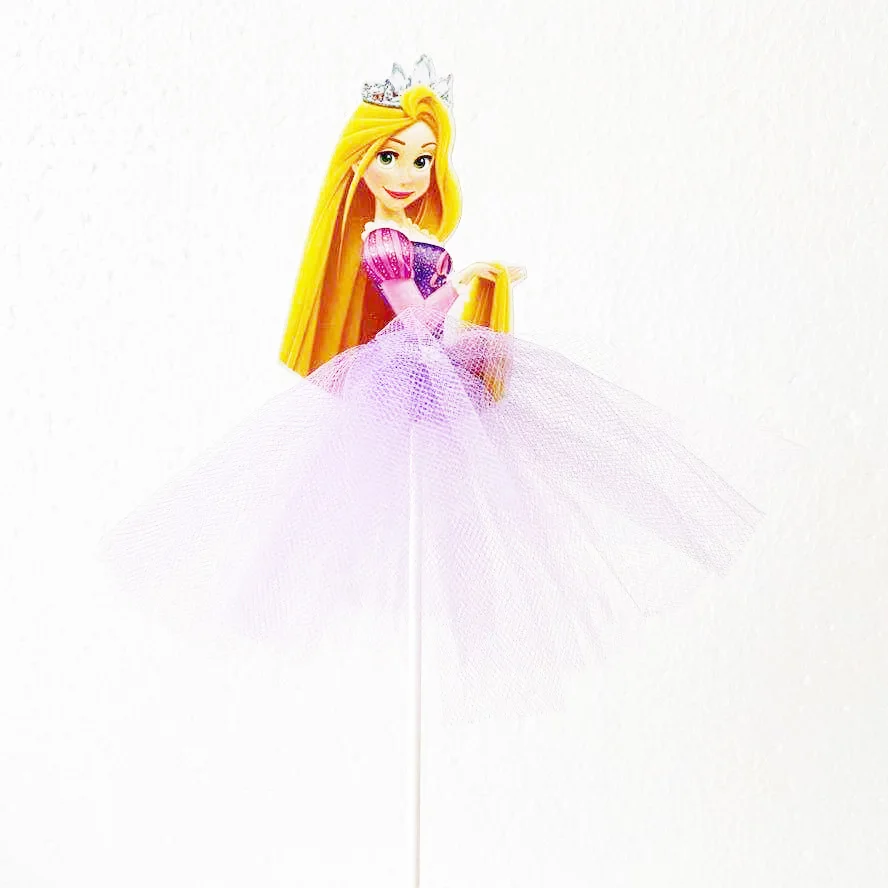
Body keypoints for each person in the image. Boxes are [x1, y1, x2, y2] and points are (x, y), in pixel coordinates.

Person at [101, 57, 761, 722]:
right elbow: (414, 318)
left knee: (476, 491)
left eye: (423, 159)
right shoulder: (380, 239)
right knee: (422, 500)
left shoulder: (412, 232)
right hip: (405, 370)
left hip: (435, 367)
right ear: (361, 160)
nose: (407, 174)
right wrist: (466, 280)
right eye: (391, 156)